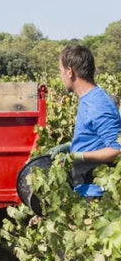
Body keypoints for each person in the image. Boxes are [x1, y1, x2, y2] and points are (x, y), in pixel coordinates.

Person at [49, 44, 120, 199]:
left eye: (61, 71)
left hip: (96, 195)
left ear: (70, 72)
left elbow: (117, 150)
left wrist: (79, 156)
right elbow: (95, 138)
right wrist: (70, 147)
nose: (60, 76)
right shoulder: (87, 99)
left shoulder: (98, 104)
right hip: (84, 188)